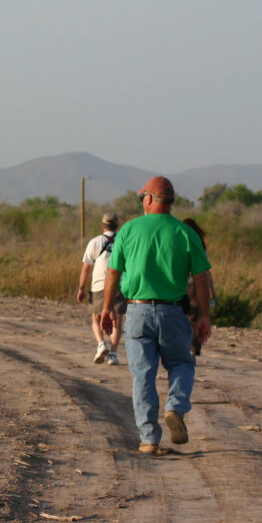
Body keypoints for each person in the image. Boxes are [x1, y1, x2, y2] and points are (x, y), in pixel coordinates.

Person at [101, 176, 212, 456]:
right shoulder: (186, 234)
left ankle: (149, 439)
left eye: (142, 198)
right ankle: (175, 407)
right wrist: (204, 316)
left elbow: (113, 273)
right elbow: (201, 279)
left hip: (137, 310)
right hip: (173, 311)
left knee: (143, 375)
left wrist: (106, 309)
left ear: (149, 199)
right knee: (182, 365)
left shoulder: (128, 230)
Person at [77, 212, 125, 365]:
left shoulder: (95, 242)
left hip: (99, 285)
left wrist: (81, 288)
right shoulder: (124, 241)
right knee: (117, 320)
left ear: (102, 225)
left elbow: (86, 268)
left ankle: (100, 344)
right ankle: (113, 354)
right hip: (119, 285)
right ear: (117, 225)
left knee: (96, 318)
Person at [182, 219, 218, 355]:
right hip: (196, 286)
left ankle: (185, 345)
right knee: (195, 317)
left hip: (181, 285)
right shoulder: (199, 247)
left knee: (183, 316)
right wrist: (212, 289)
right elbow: (205, 272)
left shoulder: (177, 244)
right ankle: (193, 346)